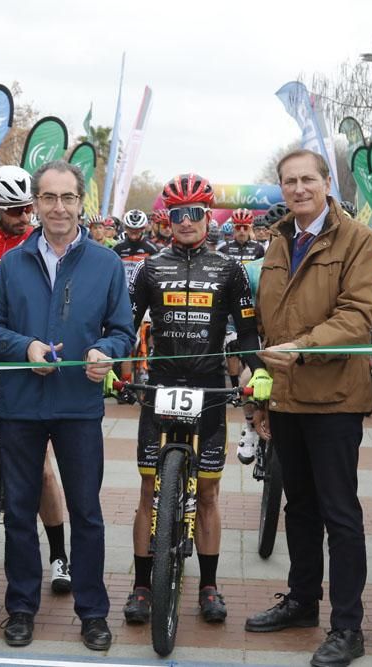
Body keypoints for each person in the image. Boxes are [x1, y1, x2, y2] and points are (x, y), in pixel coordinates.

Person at [0, 160, 135, 651]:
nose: (59, 207)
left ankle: (92, 611)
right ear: (36, 204)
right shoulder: (12, 261)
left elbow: (123, 332)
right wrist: (24, 348)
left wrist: (104, 354)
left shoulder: (106, 263)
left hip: (78, 406)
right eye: (49, 198)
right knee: (18, 512)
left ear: (80, 202)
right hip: (21, 405)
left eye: (68, 198)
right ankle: (20, 607)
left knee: (87, 513)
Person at [247, 149, 372, 667]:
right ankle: (302, 600)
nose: (298, 189)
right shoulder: (279, 240)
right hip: (285, 397)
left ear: (327, 183)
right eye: (289, 181)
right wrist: (262, 395)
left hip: (333, 400)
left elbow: (357, 317)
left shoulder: (358, 241)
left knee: (339, 512)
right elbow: (268, 320)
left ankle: (348, 627)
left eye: (307, 179)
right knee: (297, 507)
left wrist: (303, 346)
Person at [123, 174, 271, 625]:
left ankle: (209, 584)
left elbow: (246, 332)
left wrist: (257, 369)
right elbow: (126, 323)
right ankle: (142, 586)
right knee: (149, 489)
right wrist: (116, 368)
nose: (185, 222)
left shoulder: (230, 270)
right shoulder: (150, 268)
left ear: (208, 216)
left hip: (208, 388)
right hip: (162, 384)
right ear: (167, 220)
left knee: (207, 492)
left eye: (194, 213)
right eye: (176, 214)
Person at [0, 165, 73, 592]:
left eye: (28, 207)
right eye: (12, 209)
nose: (24, 216)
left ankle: (59, 555)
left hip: (26, 353)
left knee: (41, 470)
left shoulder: (38, 241)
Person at [113, 209, 159, 286]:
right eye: (130, 229)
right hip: (123, 290)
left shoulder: (152, 248)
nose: (133, 232)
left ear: (143, 229)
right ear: (125, 228)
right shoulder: (118, 247)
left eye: (137, 230)